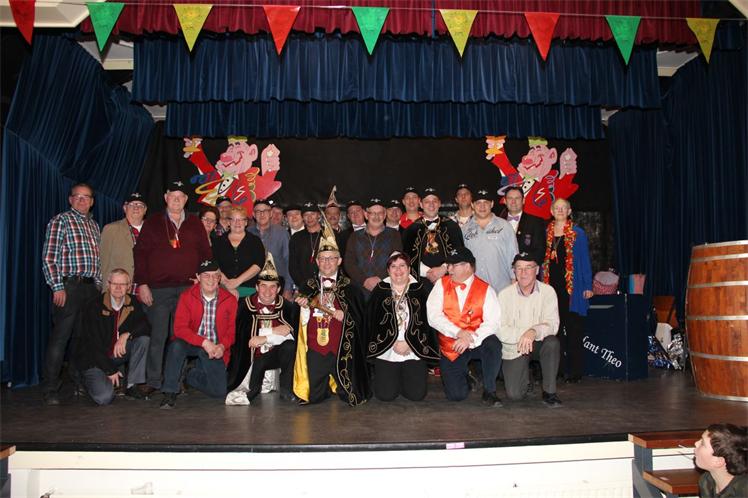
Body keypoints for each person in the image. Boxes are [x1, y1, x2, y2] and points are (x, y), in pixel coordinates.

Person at [133, 180, 212, 395]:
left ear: (186, 200)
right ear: (166, 198)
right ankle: (153, 380)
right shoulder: (153, 222)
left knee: (183, 336)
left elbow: (205, 253)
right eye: (172, 196)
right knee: (158, 335)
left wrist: (202, 277)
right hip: (158, 289)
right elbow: (140, 254)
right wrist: (142, 283)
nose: (176, 200)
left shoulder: (194, 222)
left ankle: (177, 379)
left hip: (187, 289)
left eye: (181, 197)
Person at [293, 224, 370, 405]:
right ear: (317, 261)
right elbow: (296, 324)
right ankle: (323, 387)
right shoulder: (307, 286)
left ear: (339, 260)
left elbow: (361, 320)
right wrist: (304, 309)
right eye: (323, 259)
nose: (327, 263)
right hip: (315, 348)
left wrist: (346, 316)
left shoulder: (351, 288)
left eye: (331, 258)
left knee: (351, 396)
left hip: (342, 350)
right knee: (314, 397)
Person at [41, 182, 102, 405]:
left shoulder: (94, 225)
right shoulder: (61, 221)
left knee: (82, 339)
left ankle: (78, 381)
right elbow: (49, 257)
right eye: (78, 196)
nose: (82, 200)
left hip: (90, 288)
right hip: (69, 286)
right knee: (61, 338)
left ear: (92, 201)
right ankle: (50, 388)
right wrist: (57, 286)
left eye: (86, 197)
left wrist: (98, 284)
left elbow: (97, 260)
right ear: (70, 199)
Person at [426, 247, 503, 406]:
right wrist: (458, 332)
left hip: (476, 342)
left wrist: (470, 339)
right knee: (456, 396)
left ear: (467, 266)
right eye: (448, 265)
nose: (449, 269)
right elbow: (433, 316)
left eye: (453, 265)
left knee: (493, 344)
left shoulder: (486, 289)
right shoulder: (441, 285)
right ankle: (467, 377)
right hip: (451, 344)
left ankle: (490, 391)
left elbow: (493, 322)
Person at [160, 259, 237, 409]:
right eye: (206, 275)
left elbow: (231, 331)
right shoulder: (186, 296)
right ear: (198, 277)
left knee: (219, 391)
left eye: (215, 275)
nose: (211, 279)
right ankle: (170, 391)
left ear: (220, 278)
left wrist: (222, 346)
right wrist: (204, 342)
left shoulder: (230, 300)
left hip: (215, 347)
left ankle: (189, 374)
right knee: (176, 346)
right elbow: (180, 329)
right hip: (192, 342)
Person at [226, 254, 298, 405]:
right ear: (257, 287)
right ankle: (252, 391)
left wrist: (265, 337)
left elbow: (290, 335)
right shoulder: (245, 306)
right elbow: (245, 337)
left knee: (290, 346)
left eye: (272, 287)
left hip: (275, 357)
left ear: (278, 289)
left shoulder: (286, 307)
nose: (267, 291)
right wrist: (276, 331)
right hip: (252, 359)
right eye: (263, 286)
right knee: (255, 374)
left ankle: (286, 388)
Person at [366, 252, 439, 401]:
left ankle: (402, 379)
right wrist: (392, 342)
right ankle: (393, 379)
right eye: (393, 266)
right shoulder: (380, 291)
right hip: (387, 348)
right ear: (388, 270)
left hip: (413, 349)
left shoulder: (420, 290)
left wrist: (410, 343)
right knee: (385, 395)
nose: (398, 270)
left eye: (402, 266)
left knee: (416, 395)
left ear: (409, 269)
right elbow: (371, 322)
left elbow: (427, 324)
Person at [72, 269, 151, 405]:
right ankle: (84, 379)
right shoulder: (94, 305)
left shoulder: (132, 302)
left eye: (122, 284)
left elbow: (145, 326)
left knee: (143, 339)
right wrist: (110, 370)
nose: (118, 288)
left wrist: (126, 335)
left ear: (129, 286)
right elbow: (93, 344)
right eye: (114, 284)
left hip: (115, 355)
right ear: (108, 285)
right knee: (104, 398)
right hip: (94, 360)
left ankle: (131, 386)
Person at [497, 253, 562, 407]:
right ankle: (527, 378)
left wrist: (533, 331)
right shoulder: (504, 295)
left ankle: (549, 392)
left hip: (539, 342)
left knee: (552, 342)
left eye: (528, 267)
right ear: (514, 271)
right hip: (515, 346)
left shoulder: (548, 292)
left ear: (537, 270)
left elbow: (553, 325)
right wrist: (524, 335)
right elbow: (500, 330)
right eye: (519, 268)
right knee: (514, 395)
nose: (523, 272)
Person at [542, 197, 593, 384]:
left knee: (573, 331)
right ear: (551, 211)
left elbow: (585, 260)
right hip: (551, 289)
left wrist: (587, 286)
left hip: (572, 290)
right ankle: (558, 369)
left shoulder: (578, 233)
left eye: (564, 208)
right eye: (557, 208)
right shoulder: (546, 233)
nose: (560, 210)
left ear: (569, 211)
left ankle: (575, 371)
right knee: (554, 332)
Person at [403, 187, 464, 286]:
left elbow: (460, 252)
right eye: (427, 201)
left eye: (434, 201)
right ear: (421, 204)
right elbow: (407, 257)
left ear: (439, 203)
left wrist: (443, 269)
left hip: (449, 280)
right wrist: (428, 272)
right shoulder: (411, 230)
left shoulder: (451, 226)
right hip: (421, 283)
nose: (431, 204)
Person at [344, 198, 403, 298]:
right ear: (366, 215)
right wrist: (364, 280)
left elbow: (396, 260)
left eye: (380, 213)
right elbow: (349, 263)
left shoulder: (394, 235)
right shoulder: (355, 236)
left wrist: (380, 279)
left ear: (385, 215)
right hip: (359, 290)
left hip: (385, 288)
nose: (376, 216)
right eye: (372, 213)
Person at [461, 189, 517, 293]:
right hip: (474, 290)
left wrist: (514, 280)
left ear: (492, 204)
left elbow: (513, 255)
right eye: (478, 203)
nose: (482, 206)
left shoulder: (505, 226)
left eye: (486, 202)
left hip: (502, 288)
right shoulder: (465, 230)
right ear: (472, 205)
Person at [212, 206, 265, 299]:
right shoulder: (218, 242)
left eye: (241, 219)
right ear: (229, 222)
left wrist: (237, 281)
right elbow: (214, 264)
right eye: (234, 219)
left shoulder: (255, 241)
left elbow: (258, 264)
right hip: (223, 290)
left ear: (246, 222)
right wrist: (227, 284)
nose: (237, 223)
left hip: (249, 291)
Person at [100, 192, 147, 291]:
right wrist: (106, 292)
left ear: (145, 210)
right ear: (125, 208)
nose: (136, 207)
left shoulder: (152, 230)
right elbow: (104, 263)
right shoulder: (111, 229)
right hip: (120, 290)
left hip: (147, 290)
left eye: (140, 205)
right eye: (132, 204)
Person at [249, 198, 293, 300]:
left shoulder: (282, 233)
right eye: (258, 211)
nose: (262, 214)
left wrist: (288, 288)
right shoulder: (247, 233)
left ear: (270, 214)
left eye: (265, 211)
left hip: (277, 286)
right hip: (252, 287)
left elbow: (289, 261)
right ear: (253, 214)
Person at [694, 423, 748, 498]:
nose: (696, 443)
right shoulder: (706, 481)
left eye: (703, 443)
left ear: (718, 461)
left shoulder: (743, 491)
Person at [500, 186, 546, 267]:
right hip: (501, 269)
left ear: (523, 201)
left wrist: (525, 268)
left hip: (525, 270)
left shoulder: (535, 222)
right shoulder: (497, 222)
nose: (513, 201)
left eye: (517, 198)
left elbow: (540, 251)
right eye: (510, 198)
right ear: (505, 201)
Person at [289, 202, 326, 291]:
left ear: (319, 215)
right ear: (302, 217)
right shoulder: (296, 238)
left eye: (312, 214)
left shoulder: (330, 235)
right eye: (306, 215)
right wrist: (303, 285)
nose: (309, 218)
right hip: (304, 287)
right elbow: (293, 266)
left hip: (327, 285)